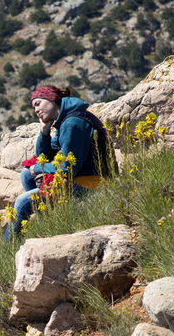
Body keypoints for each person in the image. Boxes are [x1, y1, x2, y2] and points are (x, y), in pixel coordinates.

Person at [8, 85, 114, 237]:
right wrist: (44, 132)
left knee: (22, 202)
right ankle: (46, 216)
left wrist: (39, 169)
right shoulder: (64, 120)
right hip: (81, 176)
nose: (36, 110)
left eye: (38, 104)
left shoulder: (73, 123)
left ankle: (10, 249)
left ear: (52, 99)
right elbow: (45, 156)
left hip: (93, 182)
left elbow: (68, 168)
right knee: (26, 174)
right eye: (33, 107)